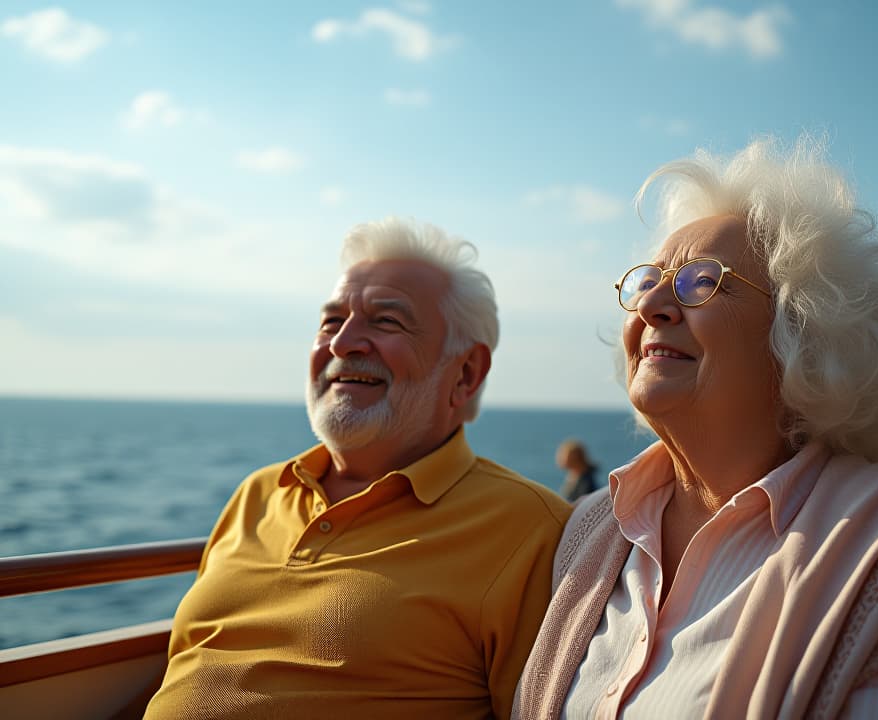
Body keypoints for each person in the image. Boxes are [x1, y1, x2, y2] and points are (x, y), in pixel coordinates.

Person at [513, 138, 878, 718]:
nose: (653, 303)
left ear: (804, 335)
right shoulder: (592, 534)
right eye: (649, 280)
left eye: (701, 280)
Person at [144, 218, 571, 720]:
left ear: (466, 373)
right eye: (330, 322)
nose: (344, 342)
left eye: (386, 321)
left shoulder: (529, 528)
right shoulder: (258, 493)